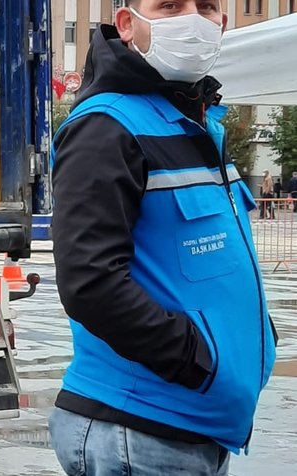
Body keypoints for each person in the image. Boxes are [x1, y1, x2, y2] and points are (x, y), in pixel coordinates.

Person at [49, 0, 277, 473]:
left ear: (223, 24)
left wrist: (257, 339)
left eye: (207, 6)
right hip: (140, 430)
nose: (191, 19)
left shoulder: (194, 123)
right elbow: (90, 283)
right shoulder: (107, 127)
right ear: (128, 24)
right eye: (170, 5)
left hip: (188, 428)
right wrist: (200, 361)